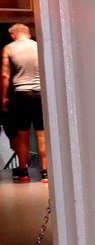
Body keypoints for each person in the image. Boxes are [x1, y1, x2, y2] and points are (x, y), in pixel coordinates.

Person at [1, 24, 47, 183]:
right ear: (28, 35)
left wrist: (3, 97)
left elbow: (4, 75)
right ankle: (45, 172)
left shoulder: (8, 48)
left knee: (23, 135)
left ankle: (23, 171)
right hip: (40, 93)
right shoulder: (39, 47)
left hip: (21, 95)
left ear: (13, 36)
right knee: (41, 134)